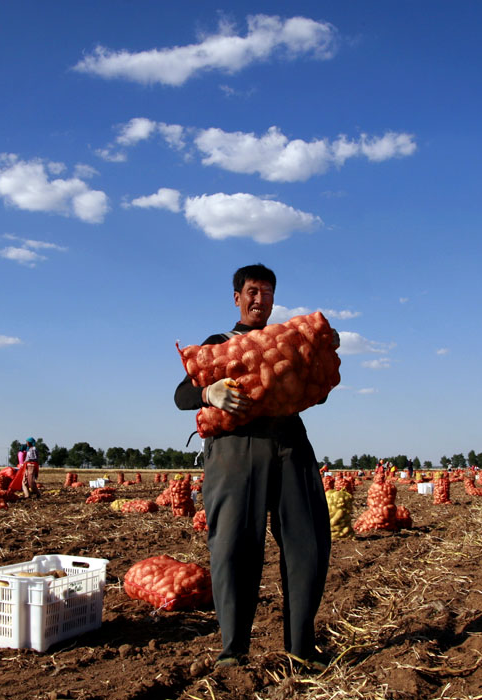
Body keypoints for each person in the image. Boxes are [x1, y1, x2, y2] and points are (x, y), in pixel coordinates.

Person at [174, 263, 334, 670]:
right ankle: (233, 652)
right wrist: (209, 392)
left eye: (267, 292)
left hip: (289, 443)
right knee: (234, 548)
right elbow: (180, 394)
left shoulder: (285, 343)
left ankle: (301, 646)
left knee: (308, 543)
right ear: (237, 297)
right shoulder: (220, 343)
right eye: (251, 291)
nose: (259, 299)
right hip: (235, 450)